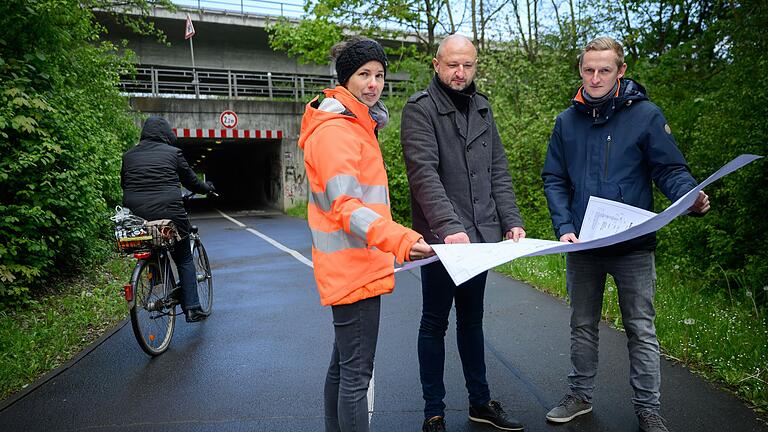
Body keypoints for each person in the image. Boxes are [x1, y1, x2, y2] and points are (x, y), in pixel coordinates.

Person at [541, 36, 711, 432]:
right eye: (588, 70)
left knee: (641, 327)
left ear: (621, 71)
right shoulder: (567, 121)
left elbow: (668, 169)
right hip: (584, 245)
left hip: (633, 245)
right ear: (580, 70)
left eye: (604, 70)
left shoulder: (646, 115)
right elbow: (554, 178)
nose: (595, 78)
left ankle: (648, 409)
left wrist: (690, 197)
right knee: (582, 324)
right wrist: (565, 227)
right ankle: (579, 396)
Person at [298, 36, 434, 432]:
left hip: (356, 264)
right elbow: (346, 206)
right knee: (357, 375)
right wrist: (402, 240)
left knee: (344, 366)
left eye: (379, 75)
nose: (373, 84)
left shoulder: (354, 125)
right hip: (353, 266)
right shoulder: (338, 129)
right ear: (345, 78)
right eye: (363, 75)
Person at [401, 34, 526, 432]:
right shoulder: (419, 109)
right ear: (437, 65)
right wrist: (450, 229)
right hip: (443, 241)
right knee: (434, 322)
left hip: (482, 236)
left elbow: (498, 172)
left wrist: (511, 219)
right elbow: (424, 175)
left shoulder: (484, 107)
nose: (460, 73)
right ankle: (433, 412)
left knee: (473, 322)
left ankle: (479, 402)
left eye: (468, 65)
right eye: (453, 65)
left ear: (476, 66)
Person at [120, 116, 215, 323]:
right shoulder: (173, 153)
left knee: (152, 244)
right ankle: (192, 308)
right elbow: (191, 181)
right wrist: (206, 188)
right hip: (170, 212)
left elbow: (124, 183)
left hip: (136, 216)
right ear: (165, 134)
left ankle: (156, 274)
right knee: (184, 257)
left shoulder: (129, 156)